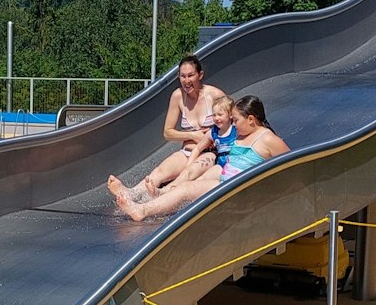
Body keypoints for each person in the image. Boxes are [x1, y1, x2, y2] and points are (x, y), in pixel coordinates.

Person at [109, 94, 288, 222]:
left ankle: (142, 210)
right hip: (225, 183)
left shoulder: (268, 139)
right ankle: (151, 202)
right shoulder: (241, 134)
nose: (233, 124)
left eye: (235, 120)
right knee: (186, 187)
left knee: (188, 190)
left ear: (250, 119)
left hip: (239, 192)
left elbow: (291, 164)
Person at [114, 95, 236, 203]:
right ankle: (133, 194)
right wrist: (190, 156)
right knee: (160, 171)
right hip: (189, 151)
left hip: (211, 156)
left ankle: (162, 194)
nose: (216, 118)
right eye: (214, 115)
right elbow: (192, 146)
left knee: (188, 175)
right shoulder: (212, 131)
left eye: (220, 115)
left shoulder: (217, 98)